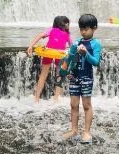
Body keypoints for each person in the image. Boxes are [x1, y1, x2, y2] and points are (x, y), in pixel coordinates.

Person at [62, 14, 102, 144]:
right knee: (73, 105)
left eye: (86, 29)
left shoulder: (96, 44)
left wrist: (86, 54)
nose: (83, 32)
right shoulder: (76, 42)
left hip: (86, 78)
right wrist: (67, 71)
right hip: (74, 77)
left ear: (94, 28)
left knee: (86, 105)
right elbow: (70, 59)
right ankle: (74, 129)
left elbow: (95, 62)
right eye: (81, 29)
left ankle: (87, 131)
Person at [26, 16, 71, 105]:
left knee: (43, 75)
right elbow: (72, 45)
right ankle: (56, 98)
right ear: (62, 24)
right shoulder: (67, 34)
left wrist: (31, 45)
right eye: (66, 23)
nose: (67, 25)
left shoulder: (51, 30)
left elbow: (40, 35)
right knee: (59, 75)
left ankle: (36, 98)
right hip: (60, 54)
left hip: (49, 52)